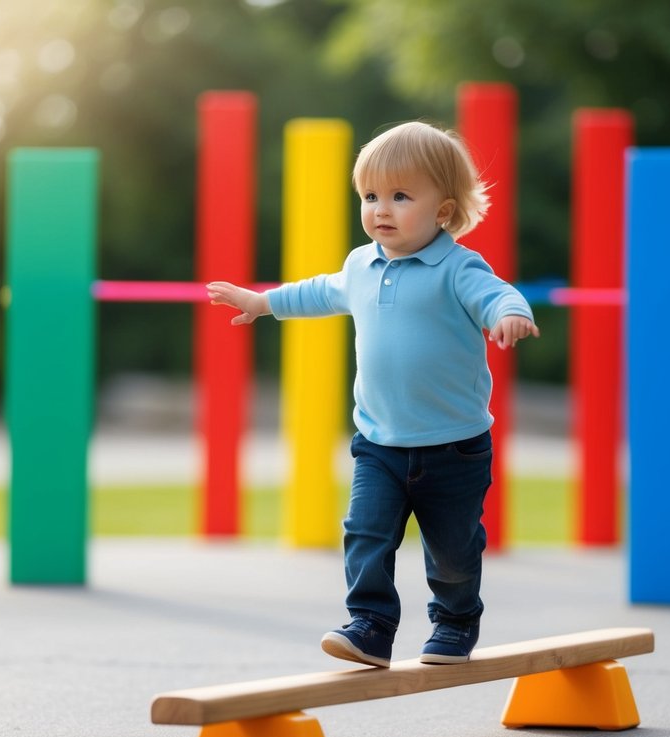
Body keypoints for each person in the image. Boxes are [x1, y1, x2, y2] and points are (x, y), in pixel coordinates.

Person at [207, 121, 539, 667]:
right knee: (365, 533)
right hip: (379, 442)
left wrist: (510, 315)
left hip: (453, 447)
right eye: (370, 196)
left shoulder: (457, 267)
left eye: (400, 196)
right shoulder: (362, 264)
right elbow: (319, 291)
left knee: (452, 551)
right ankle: (371, 625)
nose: (380, 209)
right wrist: (264, 303)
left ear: (443, 211)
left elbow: (496, 294)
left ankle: (455, 623)